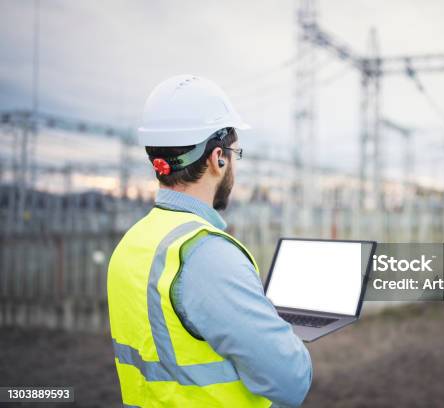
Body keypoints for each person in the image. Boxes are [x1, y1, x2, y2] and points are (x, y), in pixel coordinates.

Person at [107, 75, 312, 407]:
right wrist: (281, 338)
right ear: (218, 158)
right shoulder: (206, 254)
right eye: (234, 154)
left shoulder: (133, 243)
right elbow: (291, 381)